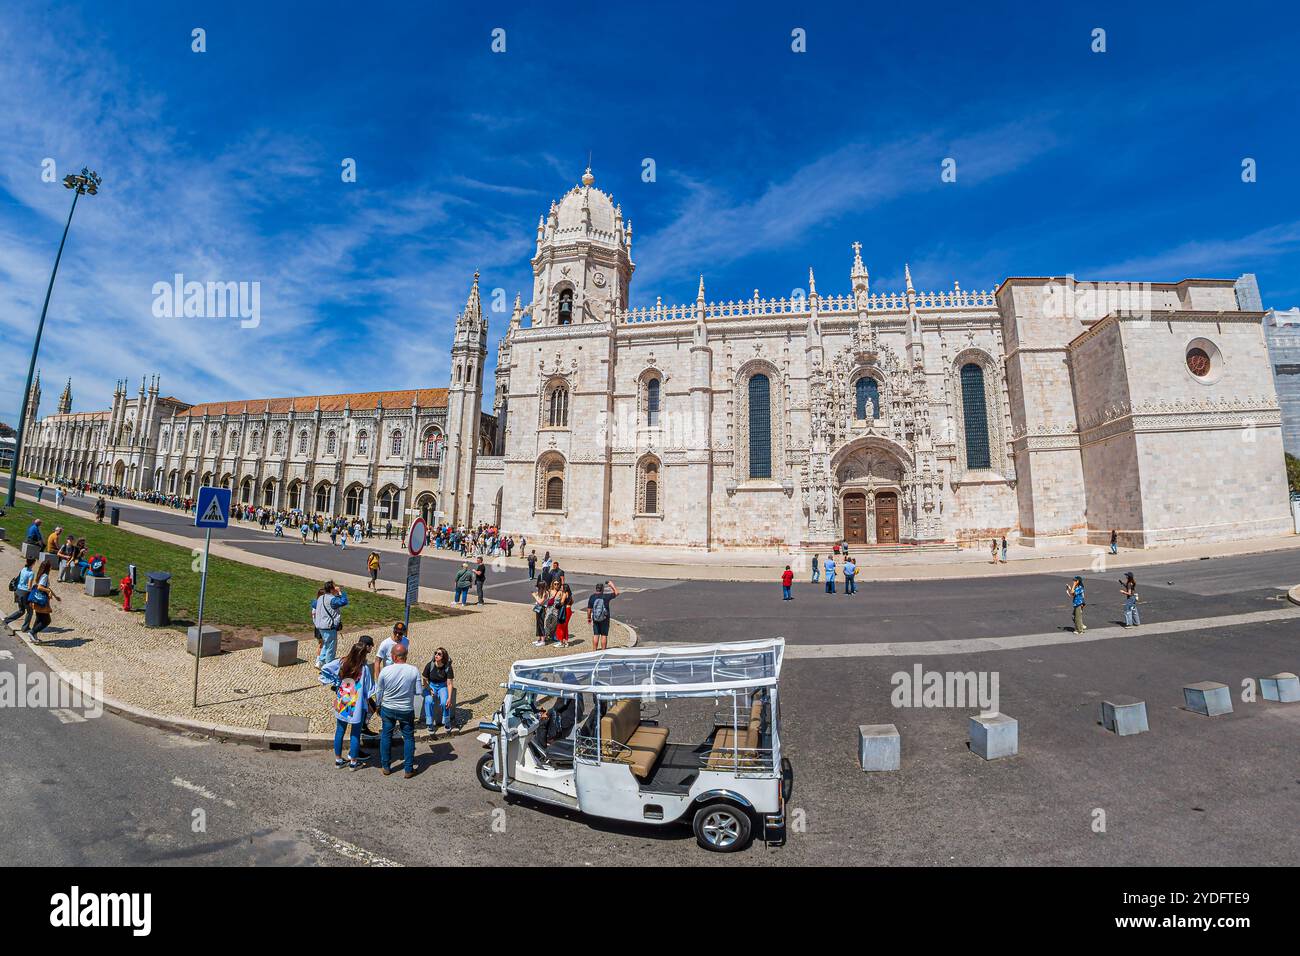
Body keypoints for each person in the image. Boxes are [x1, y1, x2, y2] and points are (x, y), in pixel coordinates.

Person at [319, 640, 374, 770]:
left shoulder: (342, 662)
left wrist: (336, 681)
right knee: (355, 733)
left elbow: (325, 668)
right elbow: (369, 688)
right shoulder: (364, 668)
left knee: (340, 730)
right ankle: (353, 762)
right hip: (357, 702)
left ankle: (338, 760)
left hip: (344, 699)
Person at [375, 643, 421, 778]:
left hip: (388, 708)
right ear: (405, 656)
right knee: (408, 738)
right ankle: (408, 769)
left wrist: (378, 705)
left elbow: (379, 691)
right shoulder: (414, 670)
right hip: (406, 709)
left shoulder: (385, 671)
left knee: (386, 736)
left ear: (393, 656)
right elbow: (418, 692)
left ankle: (386, 767)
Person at [311, 580, 349, 669]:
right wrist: (340, 592)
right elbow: (344, 601)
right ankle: (328, 667)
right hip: (329, 627)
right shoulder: (332, 600)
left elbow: (313, 604)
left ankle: (320, 661)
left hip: (320, 626)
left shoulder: (321, 598)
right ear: (332, 589)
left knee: (326, 644)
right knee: (331, 648)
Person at [422, 647, 455, 735]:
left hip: (442, 686)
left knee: (445, 702)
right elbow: (424, 680)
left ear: (443, 657)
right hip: (431, 685)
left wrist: (449, 698)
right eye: (435, 653)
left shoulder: (448, 667)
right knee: (428, 701)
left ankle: (446, 721)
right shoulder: (430, 665)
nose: (436, 655)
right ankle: (429, 723)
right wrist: (429, 689)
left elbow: (449, 684)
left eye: (439, 654)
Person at [26, 560, 60, 642]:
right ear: (48, 568)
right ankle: (32, 632)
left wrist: (55, 596)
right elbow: (40, 587)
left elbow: (46, 587)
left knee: (39, 619)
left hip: (37, 600)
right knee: (47, 620)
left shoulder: (40, 574)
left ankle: (34, 636)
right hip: (41, 601)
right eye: (50, 566)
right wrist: (48, 592)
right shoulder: (45, 576)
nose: (51, 567)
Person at [4, 558, 36, 633]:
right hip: (24, 594)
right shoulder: (31, 573)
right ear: (34, 563)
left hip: (17, 592)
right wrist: (34, 588)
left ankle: (6, 620)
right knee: (30, 611)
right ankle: (25, 627)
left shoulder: (23, 569)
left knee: (21, 611)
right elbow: (29, 587)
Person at [586, 580, 618, 651]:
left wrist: (589, 618)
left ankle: (594, 650)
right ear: (602, 589)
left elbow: (589, 610)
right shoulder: (605, 596)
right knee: (604, 635)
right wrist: (611, 585)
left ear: (596, 589)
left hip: (595, 618)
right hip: (605, 618)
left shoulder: (592, 597)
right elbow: (617, 593)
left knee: (596, 634)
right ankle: (603, 651)